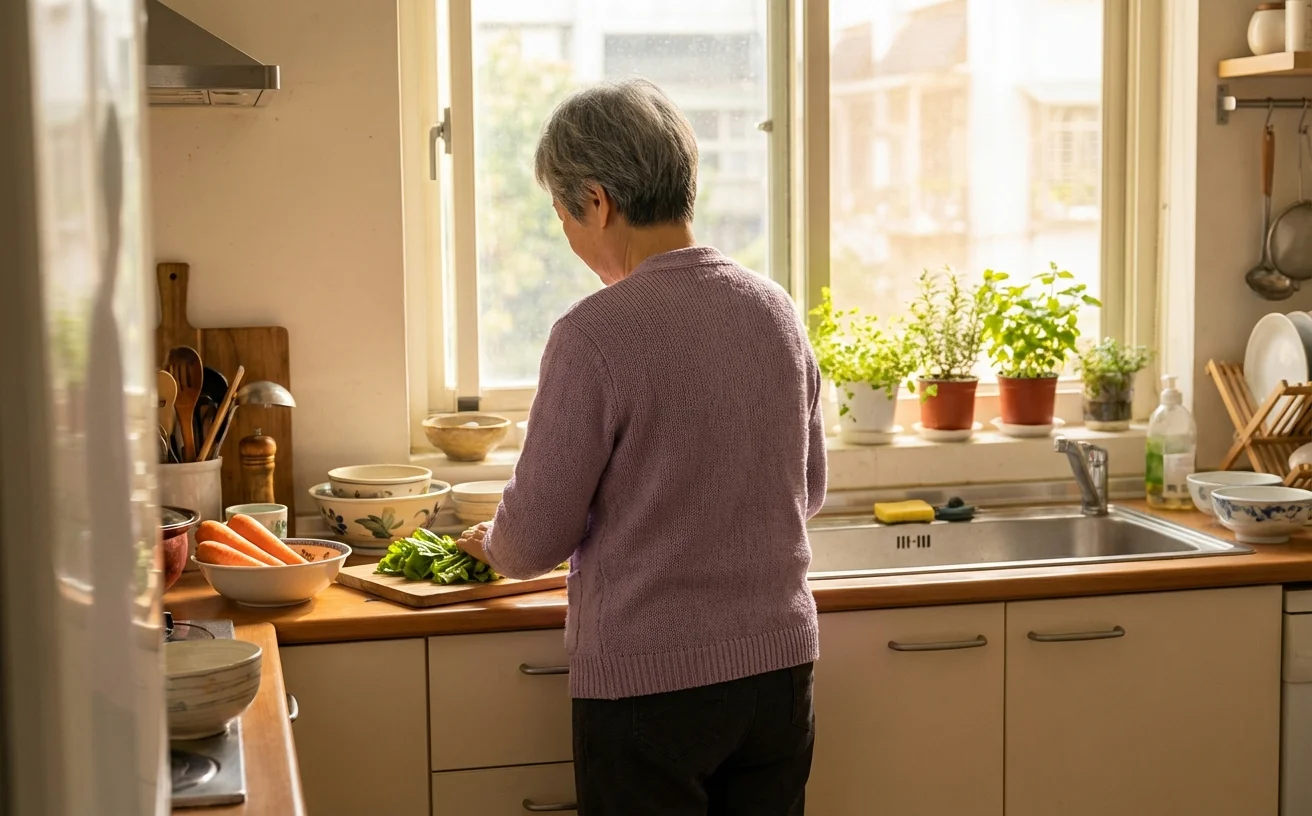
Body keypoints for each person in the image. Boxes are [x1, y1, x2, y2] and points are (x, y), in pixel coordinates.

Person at [457, 78, 826, 815]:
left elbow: (533, 538)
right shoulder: (774, 310)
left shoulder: (593, 333)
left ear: (596, 201)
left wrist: (487, 544)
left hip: (649, 691)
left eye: (563, 214)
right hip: (780, 674)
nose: (566, 233)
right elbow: (809, 489)